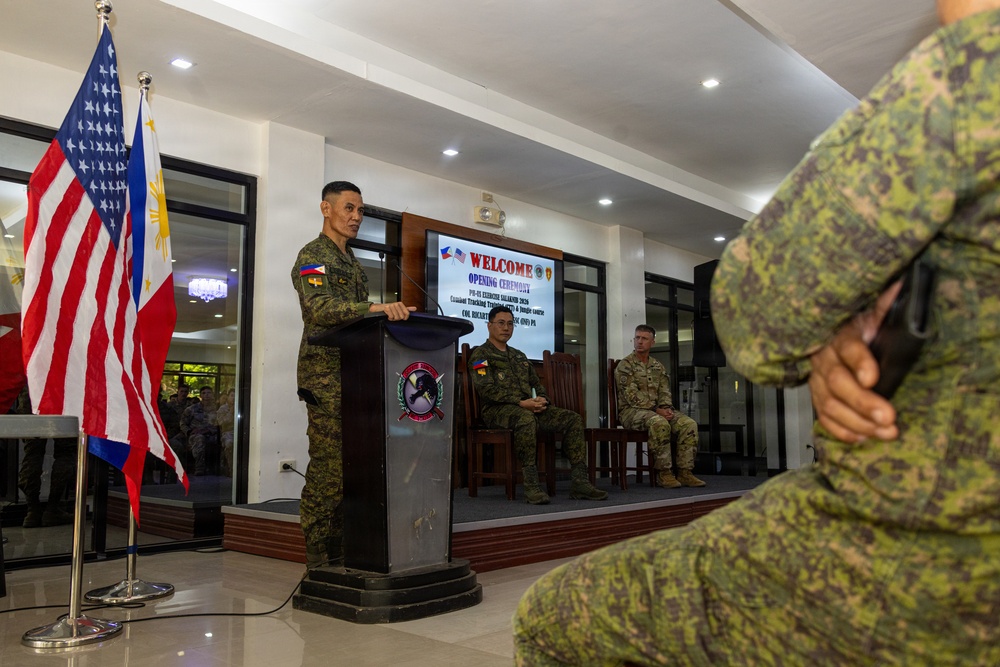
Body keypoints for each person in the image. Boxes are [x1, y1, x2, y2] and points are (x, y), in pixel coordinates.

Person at [512, 2, 1000, 664]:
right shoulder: (622, 367)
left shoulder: (978, 61)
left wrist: (828, 321)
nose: (650, 346)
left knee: (552, 615)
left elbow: (756, 315)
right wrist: (835, 330)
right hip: (944, 540)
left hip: (935, 548)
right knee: (657, 422)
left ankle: (680, 476)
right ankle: (666, 474)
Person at [292, 180, 414, 568]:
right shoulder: (313, 255)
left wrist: (380, 316)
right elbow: (321, 309)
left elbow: (359, 319)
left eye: (360, 210)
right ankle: (317, 549)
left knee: (355, 464)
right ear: (326, 209)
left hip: (357, 374)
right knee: (330, 466)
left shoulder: (353, 262)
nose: (356, 217)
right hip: (325, 376)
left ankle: (343, 544)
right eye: (349, 208)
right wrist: (376, 309)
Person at [468, 305, 607, 505]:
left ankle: (580, 483)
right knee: (525, 419)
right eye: (501, 323)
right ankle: (531, 486)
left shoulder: (520, 356)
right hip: (497, 410)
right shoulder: (480, 356)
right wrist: (521, 403)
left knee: (572, 419)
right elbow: (486, 390)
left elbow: (536, 384)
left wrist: (542, 399)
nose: (506, 328)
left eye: (510, 324)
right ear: (489, 326)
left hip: (530, 408)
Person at [615, 324, 705, 488]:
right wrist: (657, 410)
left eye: (644, 339)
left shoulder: (658, 366)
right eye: (637, 338)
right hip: (631, 412)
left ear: (652, 342)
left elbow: (665, 392)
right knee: (659, 423)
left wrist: (667, 409)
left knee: (688, 424)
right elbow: (631, 395)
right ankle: (664, 474)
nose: (639, 342)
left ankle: (685, 472)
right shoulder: (625, 365)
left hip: (657, 411)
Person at [180, 386, 218, 476]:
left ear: (212, 395)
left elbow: (221, 424)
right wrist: (189, 432)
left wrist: (209, 430)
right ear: (200, 395)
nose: (206, 395)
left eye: (209, 393)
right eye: (204, 393)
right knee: (199, 439)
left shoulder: (218, 409)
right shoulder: (192, 409)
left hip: (213, 434)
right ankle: (199, 468)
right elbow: (183, 423)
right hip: (196, 435)